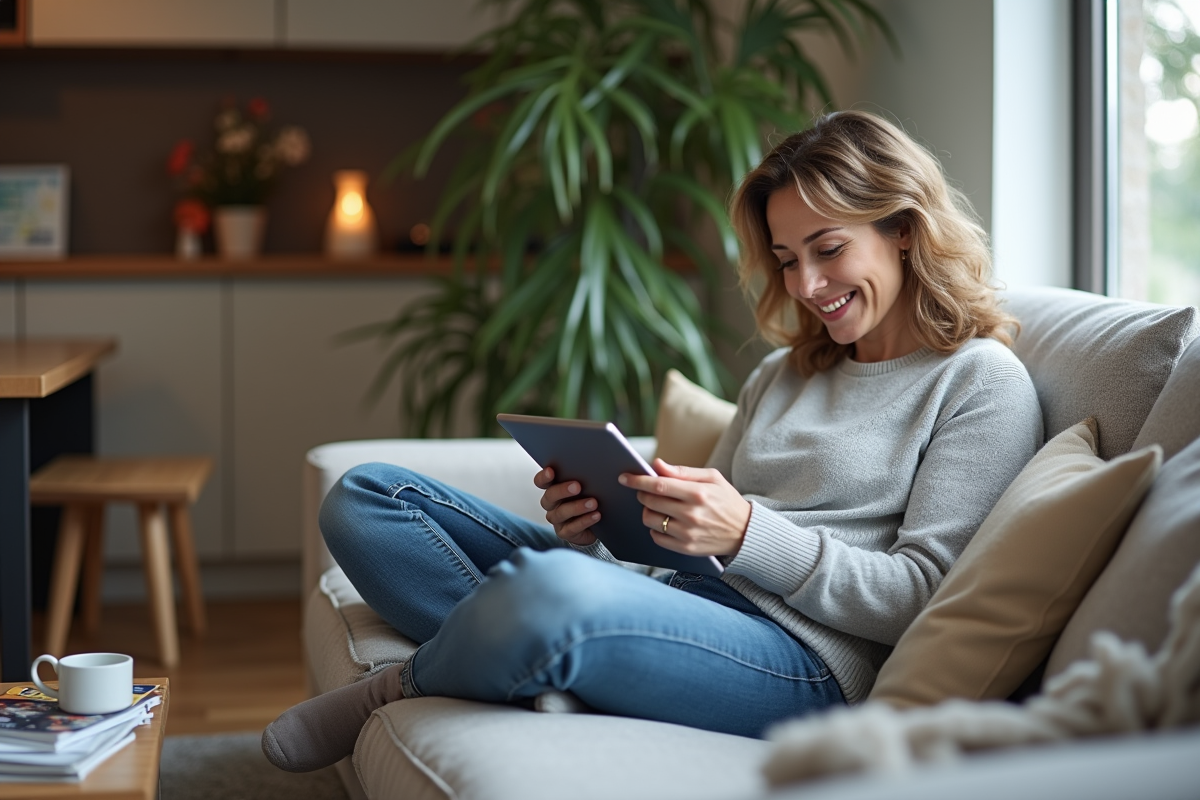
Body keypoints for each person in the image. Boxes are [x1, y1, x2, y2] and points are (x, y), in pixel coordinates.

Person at [261, 110, 1042, 773]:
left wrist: (747, 534)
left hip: (802, 663)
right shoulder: (784, 373)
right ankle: (540, 658)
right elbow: (684, 556)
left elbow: (923, 597)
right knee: (368, 499)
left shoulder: (980, 382)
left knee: (550, 594)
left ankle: (401, 685)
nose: (806, 286)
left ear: (903, 229)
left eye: (828, 249)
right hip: (676, 603)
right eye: (786, 260)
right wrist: (597, 533)